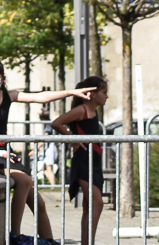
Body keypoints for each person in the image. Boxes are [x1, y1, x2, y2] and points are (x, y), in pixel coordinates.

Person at [0, 58, 95, 241]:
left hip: (7, 153)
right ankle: (14, 235)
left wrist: (71, 92)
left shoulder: (8, 95)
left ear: (2, 78)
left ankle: (49, 242)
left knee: (39, 203)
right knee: (24, 181)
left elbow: (40, 97)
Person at [51, 76, 108, 245]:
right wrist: (74, 138)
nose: (106, 96)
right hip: (83, 160)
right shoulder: (81, 110)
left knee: (90, 206)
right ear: (92, 94)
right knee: (97, 203)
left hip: (94, 161)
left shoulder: (94, 111)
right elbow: (57, 123)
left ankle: (86, 242)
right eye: (104, 92)